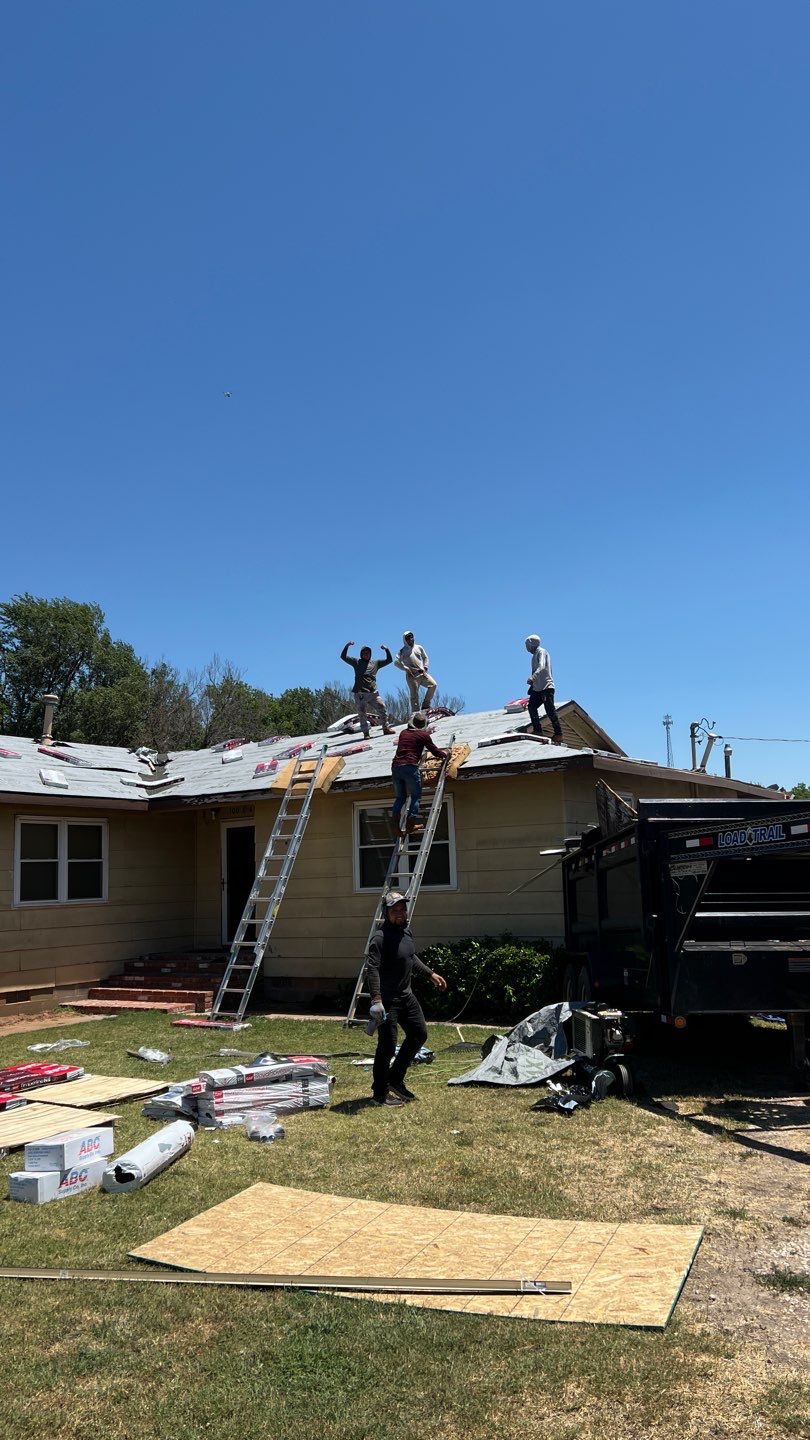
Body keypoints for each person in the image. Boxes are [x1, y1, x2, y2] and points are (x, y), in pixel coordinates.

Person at [366, 891, 447, 1106]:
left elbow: (410, 956)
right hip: (387, 1001)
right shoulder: (379, 939)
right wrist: (376, 1000)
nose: (400, 913)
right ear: (387, 912)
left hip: (406, 996)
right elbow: (371, 969)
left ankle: (395, 1079)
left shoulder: (406, 933)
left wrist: (430, 974)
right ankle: (379, 1094)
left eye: (402, 909)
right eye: (395, 910)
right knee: (387, 1046)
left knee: (419, 1034)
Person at [391, 712, 448, 835]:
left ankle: (395, 827)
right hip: (410, 766)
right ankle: (410, 825)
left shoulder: (403, 733)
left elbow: (410, 745)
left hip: (396, 766)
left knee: (400, 797)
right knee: (416, 796)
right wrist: (446, 755)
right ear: (423, 725)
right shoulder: (423, 735)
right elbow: (434, 750)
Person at [340, 641, 394, 738]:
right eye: (364, 653)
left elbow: (389, 660)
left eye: (368, 652)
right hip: (360, 693)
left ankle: (386, 728)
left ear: (370, 654)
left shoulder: (375, 663)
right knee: (362, 713)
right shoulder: (356, 662)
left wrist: (386, 649)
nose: (366, 654)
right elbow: (343, 657)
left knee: (382, 707)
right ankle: (366, 733)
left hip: (373, 692)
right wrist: (347, 646)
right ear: (361, 654)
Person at [525, 634, 563, 743]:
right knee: (531, 707)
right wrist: (532, 685)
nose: (526, 647)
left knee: (550, 710)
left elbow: (541, 666)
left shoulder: (541, 651)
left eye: (527, 644)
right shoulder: (534, 656)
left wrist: (533, 677)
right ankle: (538, 730)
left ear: (531, 643)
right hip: (537, 688)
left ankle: (558, 734)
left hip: (546, 687)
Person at [395, 631, 437, 710]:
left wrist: (425, 667)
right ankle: (416, 713)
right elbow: (396, 662)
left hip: (422, 673)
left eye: (411, 637)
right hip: (412, 676)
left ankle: (425, 705)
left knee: (433, 685)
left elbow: (425, 657)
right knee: (414, 695)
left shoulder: (419, 647)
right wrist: (405, 668)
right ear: (405, 640)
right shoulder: (402, 651)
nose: (410, 639)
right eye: (408, 638)